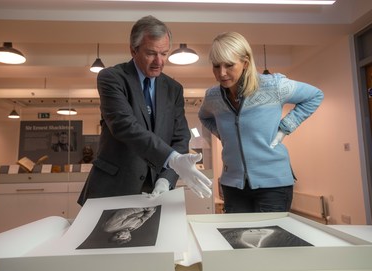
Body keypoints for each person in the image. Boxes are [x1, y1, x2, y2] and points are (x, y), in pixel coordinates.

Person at [78, 15, 212, 206]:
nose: (159, 61)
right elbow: (124, 126)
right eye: (151, 53)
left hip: (156, 189)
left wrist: (167, 178)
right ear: (133, 50)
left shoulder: (174, 89)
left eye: (164, 53)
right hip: (114, 187)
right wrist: (173, 160)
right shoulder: (112, 78)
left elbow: (180, 138)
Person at [198, 32, 324, 213]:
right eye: (216, 66)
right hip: (233, 185)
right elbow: (204, 116)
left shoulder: (274, 86)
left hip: (273, 185)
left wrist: (284, 128)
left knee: (271, 240)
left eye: (229, 65)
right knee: (237, 240)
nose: (221, 73)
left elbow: (315, 95)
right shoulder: (213, 96)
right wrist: (223, 135)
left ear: (245, 63)